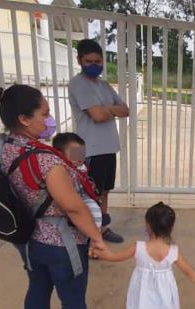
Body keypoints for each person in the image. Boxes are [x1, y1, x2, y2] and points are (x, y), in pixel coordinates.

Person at [0, 82, 119, 309]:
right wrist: (96, 237)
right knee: (72, 298)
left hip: (27, 238)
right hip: (60, 242)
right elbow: (72, 207)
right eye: (44, 113)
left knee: (37, 288)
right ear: (24, 119)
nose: (49, 119)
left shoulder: (1, 147)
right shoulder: (45, 160)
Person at [69, 39, 129, 243]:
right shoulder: (78, 84)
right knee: (87, 193)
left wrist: (108, 109)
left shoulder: (103, 85)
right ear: (79, 60)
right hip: (87, 149)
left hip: (107, 147)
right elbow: (97, 115)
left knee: (104, 190)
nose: (95, 65)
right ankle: (89, 235)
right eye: (89, 61)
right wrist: (111, 109)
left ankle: (102, 228)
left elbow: (126, 109)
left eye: (98, 61)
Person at [52, 133, 102, 232]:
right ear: (60, 154)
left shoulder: (82, 167)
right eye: (74, 153)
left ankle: (94, 233)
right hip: (68, 203)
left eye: (81, 153)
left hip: (83, 198)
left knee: (94, 211)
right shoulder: (59, 170)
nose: (79, 157)